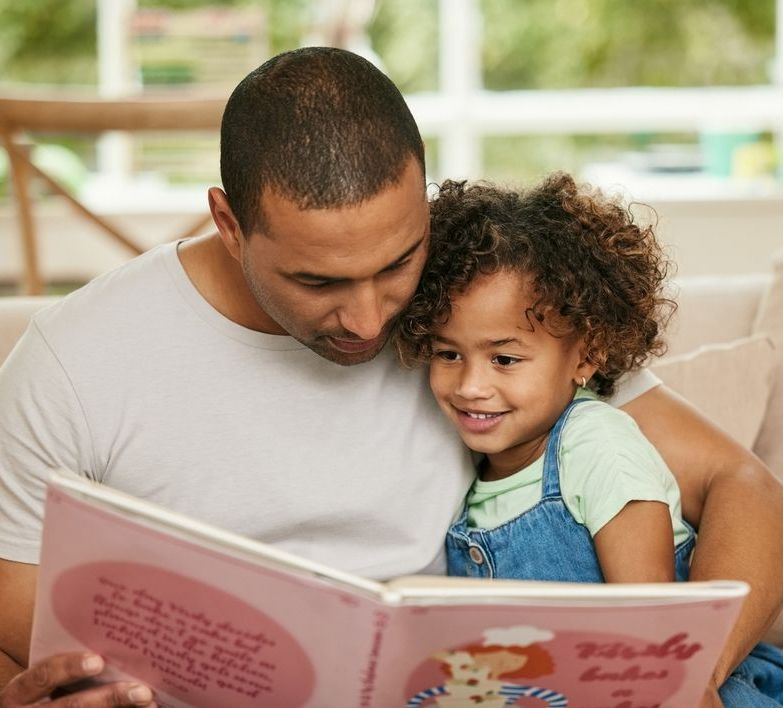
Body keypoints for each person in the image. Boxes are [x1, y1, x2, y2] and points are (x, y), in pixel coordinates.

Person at [0, 47, 781, 708]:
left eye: (397, 262)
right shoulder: (77, 361)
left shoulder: (474, 296)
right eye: (318, 283)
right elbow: (20, 636)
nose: (372, 322)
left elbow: (743, 486)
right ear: (228, 223)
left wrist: (682, 679)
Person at [395, 174, 783, 705]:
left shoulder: (598, 446)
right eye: (447, 354)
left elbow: (655, 644)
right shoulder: (474, 471)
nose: (471, 386)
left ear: (586, 357)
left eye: (504, 359)